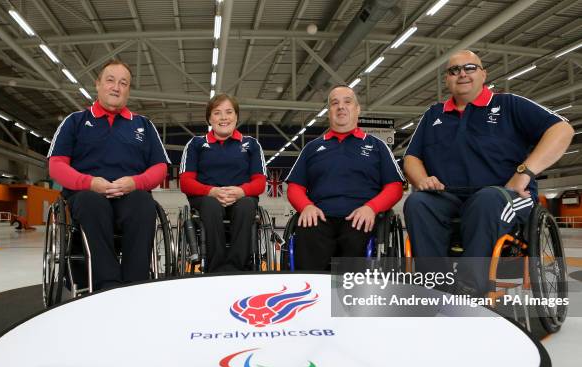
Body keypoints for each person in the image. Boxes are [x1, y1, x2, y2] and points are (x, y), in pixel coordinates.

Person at [403, 50, 574, 296]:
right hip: (448, 197)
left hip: (504, 195)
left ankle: (472, 289)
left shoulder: (509, 105)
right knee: (417, 202)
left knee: (487, 200)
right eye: (454, 70)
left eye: (470, 68)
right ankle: (434, 287)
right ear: (447, 79)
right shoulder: (433, 115)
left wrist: (524, 172)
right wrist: (421, 179)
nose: (462, 74)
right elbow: (411, 157)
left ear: (483, 74)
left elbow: (562, 130)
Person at [47, 60, 170, 290]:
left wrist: (136, 182)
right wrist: (89, 182)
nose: (116, 87)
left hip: (130, 195)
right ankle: (107, 285)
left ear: (128, 90)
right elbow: (56, 165)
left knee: (144, 202)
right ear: (98, 84)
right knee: (90, 202)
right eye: (110, 80)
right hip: (87, 195)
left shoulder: (144, 124)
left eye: (123, 83)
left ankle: (136, 284)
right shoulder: (75, 121)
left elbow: (160, 167)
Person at [285, 85, 404, 270]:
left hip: (361, 215)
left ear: (357, 110)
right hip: (319, 216)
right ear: (329, 111)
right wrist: (306, 206)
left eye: (347, 102)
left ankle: (349, 296)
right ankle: (313, 295)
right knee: (307, 231)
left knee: (356, 236)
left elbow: (395, 187)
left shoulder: (377, 146)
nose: (341, 106)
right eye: (335, 103)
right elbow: (294, 187)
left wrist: (371, 208)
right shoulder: (312, 148)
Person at [179, 94, 266, 272]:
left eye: (229, 112)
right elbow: (186, 182)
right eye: (217, 113)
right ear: (210, 118)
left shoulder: (251, 144)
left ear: (236, 116)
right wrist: (211, 191)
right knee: (211, 206)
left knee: (245, 206)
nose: (224, 117)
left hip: (242, 197)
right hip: (206, 198)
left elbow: (260, 182)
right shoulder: (196, 144)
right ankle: (216, 267)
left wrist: (241, 191)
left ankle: (237, 266)